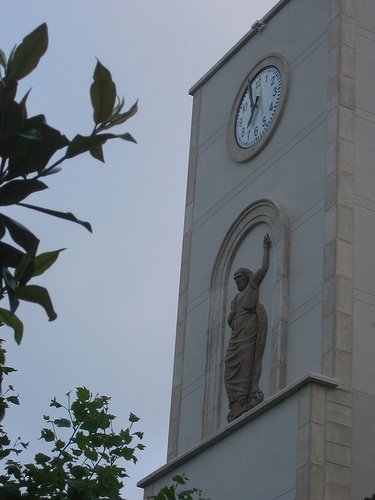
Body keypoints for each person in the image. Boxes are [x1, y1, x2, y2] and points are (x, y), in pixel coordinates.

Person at [224, 233, 271, 422]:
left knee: (245, 366)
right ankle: (234, 401)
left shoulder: (252, 286)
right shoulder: (235, 300)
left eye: (239, 278)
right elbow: (233, 319)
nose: (237, 281)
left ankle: (245, 399)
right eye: (234, 279)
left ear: (246, 278)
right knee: (230, 367)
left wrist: (266, 248)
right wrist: (231, 318)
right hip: (236, 338)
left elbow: (264, 268)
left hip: (247, 337)